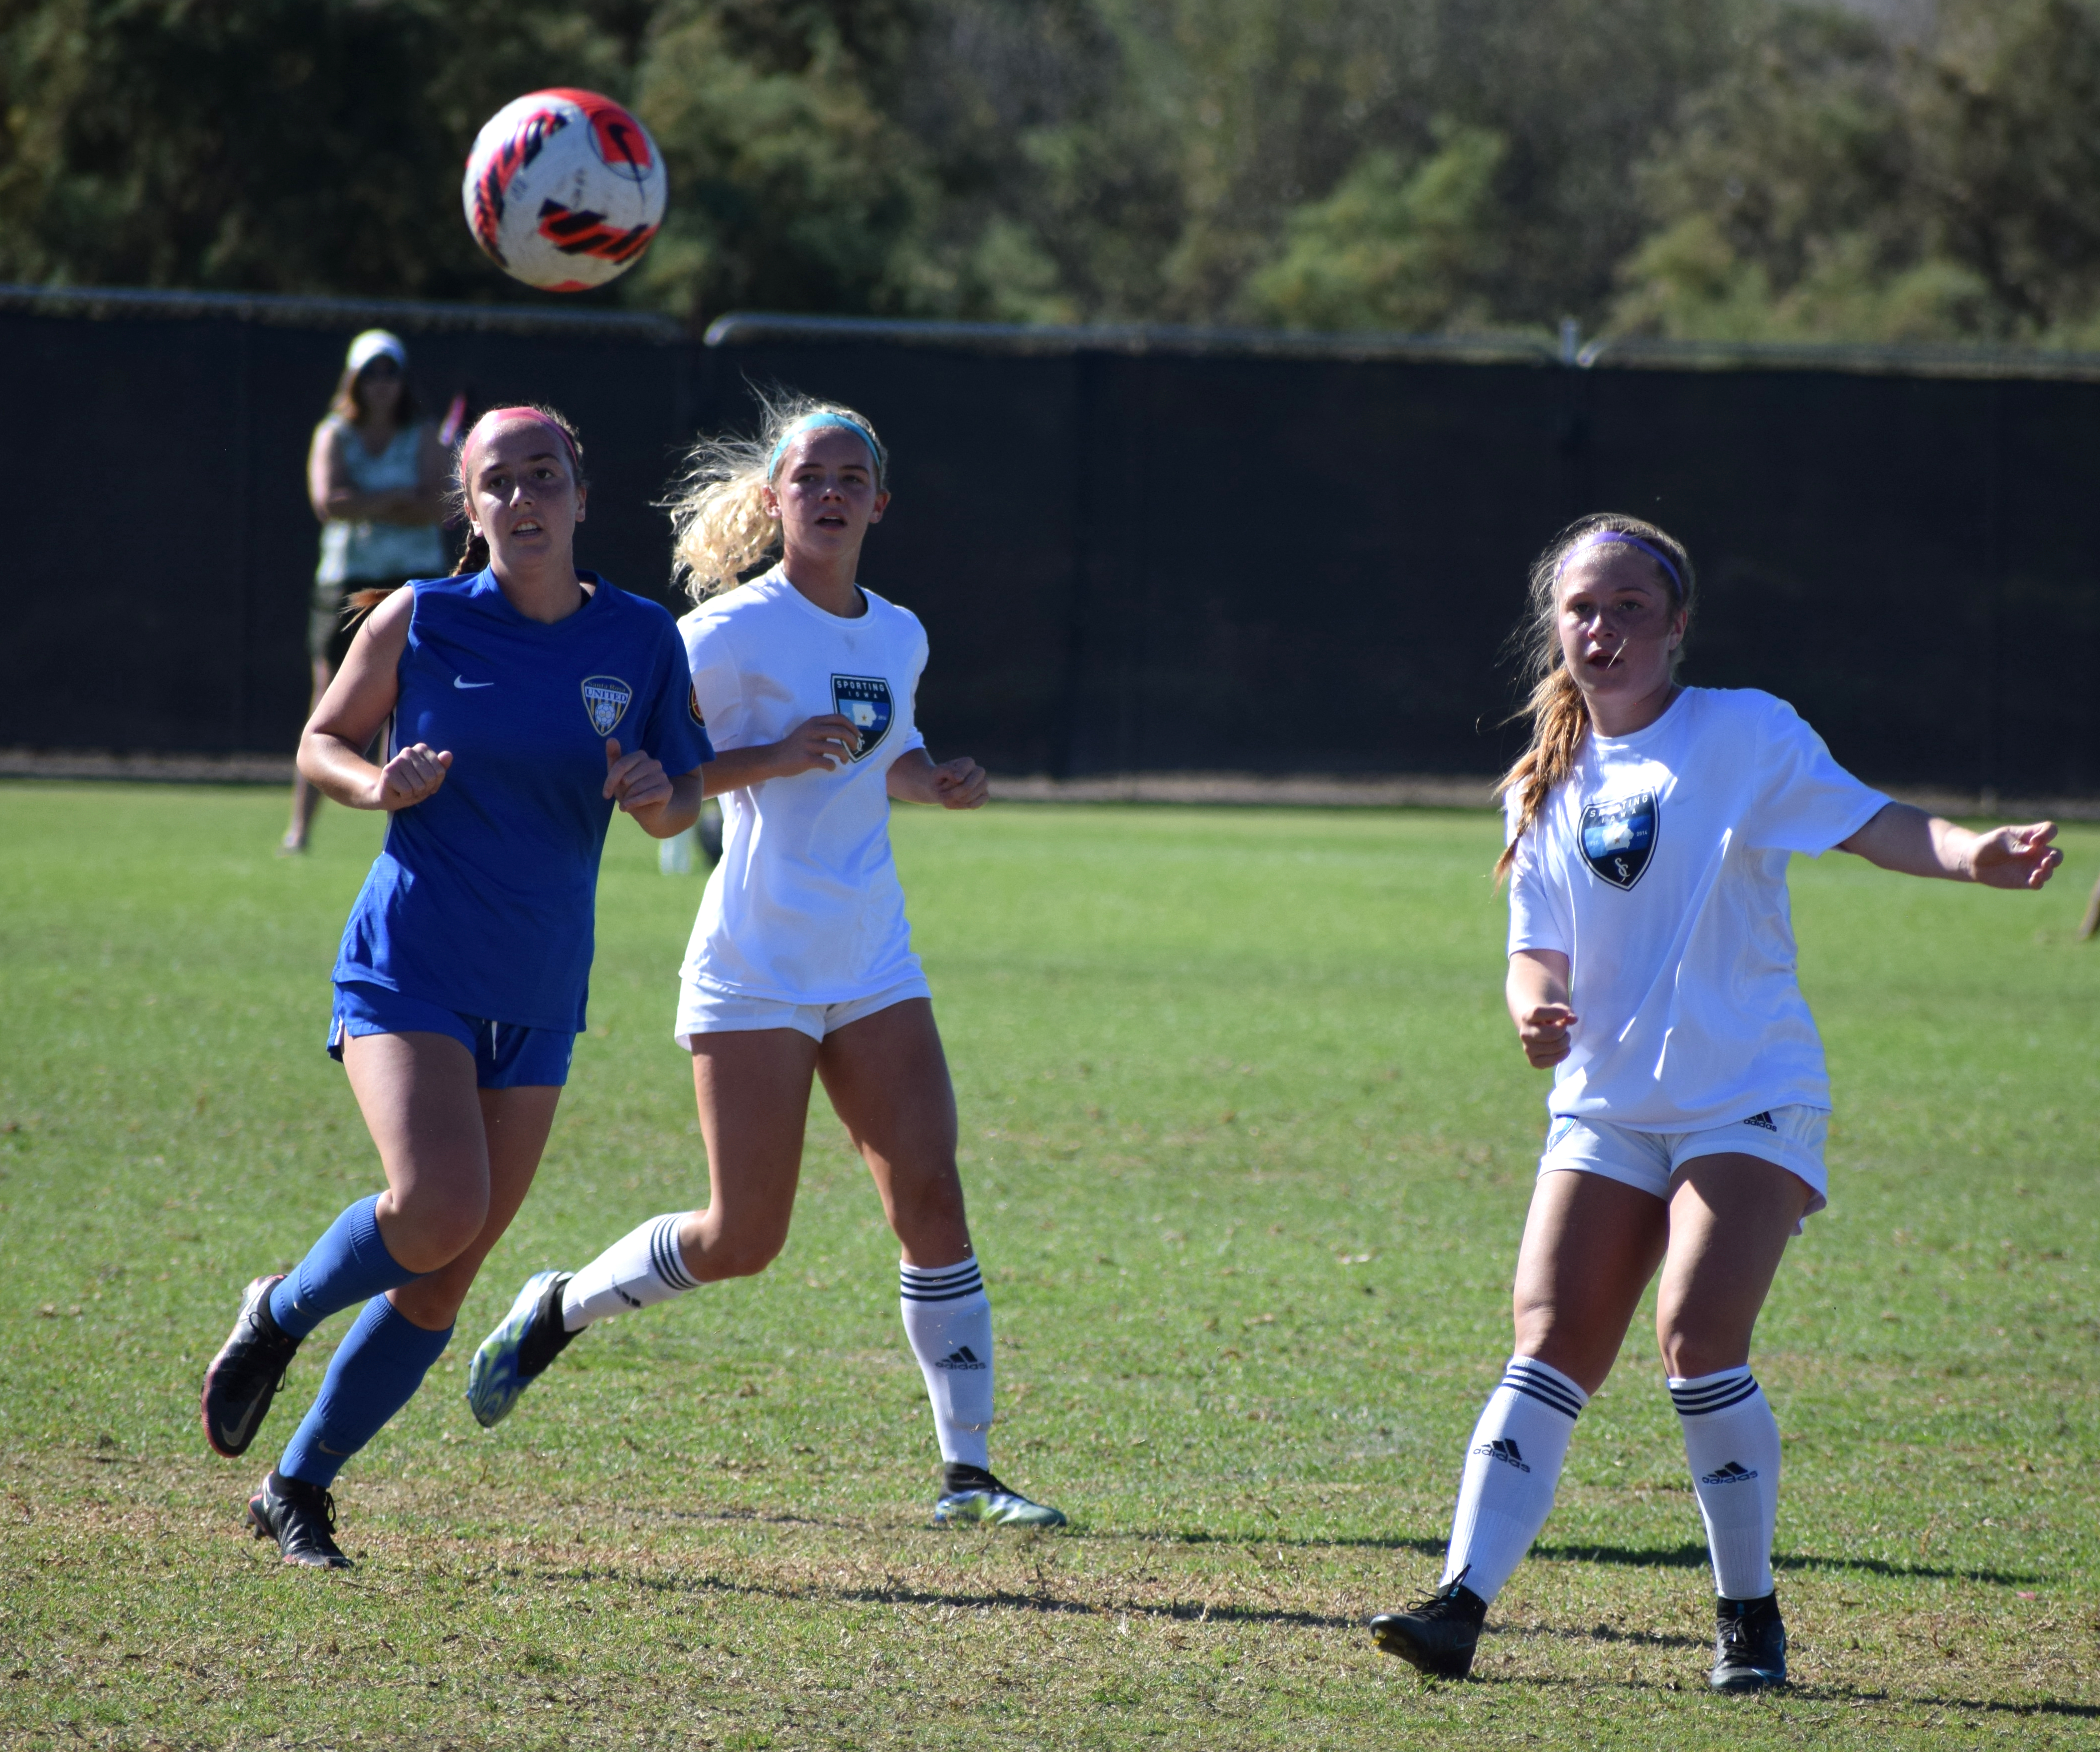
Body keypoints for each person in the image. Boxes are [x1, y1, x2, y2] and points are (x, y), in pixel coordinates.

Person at [1367, 514, 2061, 1690]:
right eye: (1585, 608)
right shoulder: (1542, 780)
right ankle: (1459, 1605)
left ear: (1678, 624)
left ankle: (1748, 1620)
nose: (1604, 627)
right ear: (1556, 626)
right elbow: (1534, 946)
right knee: (1548, 1345)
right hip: (1607, 1105)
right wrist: (1529, 1005)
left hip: (1748, 1093)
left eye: (1632, 606)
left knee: (1696, 1341)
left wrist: (1966, 856)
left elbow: (1874, 819)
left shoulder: (1742, 730)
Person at [465, 394, 1065, 1530]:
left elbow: (880, 751)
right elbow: (651, 770)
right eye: (812, 477)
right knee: (743, 1237)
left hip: (872, 954)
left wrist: (932, 777)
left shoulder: (900, 632)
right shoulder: (726, 633)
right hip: (754, 962)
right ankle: (559, 1308)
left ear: (881, 502)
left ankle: (969, 1475)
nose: (832, 493)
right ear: (775, 498)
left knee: (932, 1196)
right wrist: (773, 755)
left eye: (852, 478)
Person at [201, 405, 711, 1567]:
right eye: (499, 484)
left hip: (539, 985)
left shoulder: (639, 637)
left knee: (445, 1275)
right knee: (438, 1206)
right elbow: (320, 741)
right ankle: (278, 1312)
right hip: (411, 963)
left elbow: (684, 798)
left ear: (582, 492)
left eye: (545, 478)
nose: (523, 500)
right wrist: (378, 787)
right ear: (468, 510)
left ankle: (297, 1488)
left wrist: (650, 792)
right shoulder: (420, 617)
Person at [282, 329, 450, 855]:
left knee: (406, 702)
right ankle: (300, 830)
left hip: (412, 581)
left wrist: (369, 502)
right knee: (327, 701)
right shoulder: (334, 433)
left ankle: (392, 828)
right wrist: (398, 496)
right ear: (354, 379)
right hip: (346, 581)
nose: (381, 383)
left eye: (390, 372)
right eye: (371, 372)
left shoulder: (422, 434)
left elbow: (435, 507)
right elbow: (330, 502)